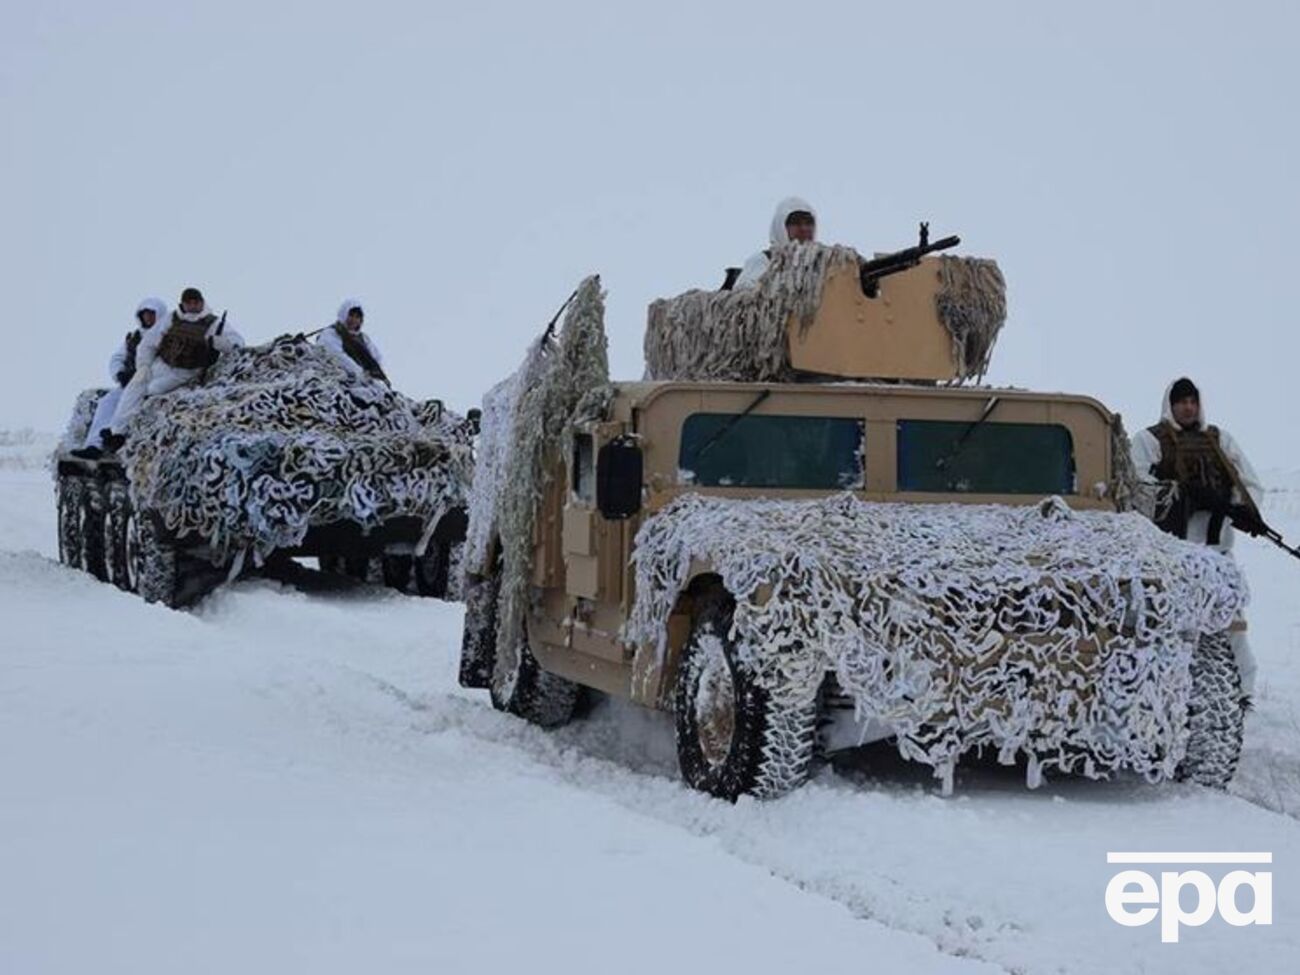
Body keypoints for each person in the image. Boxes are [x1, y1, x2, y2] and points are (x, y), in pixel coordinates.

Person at [1130, 376, 1264, 696]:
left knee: (1232, 629)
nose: (1188, 407)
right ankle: (1159, 695)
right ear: (1170, 404)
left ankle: (1240, 695)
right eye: (1181, 401)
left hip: (1217, 553)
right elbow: (1137, 487)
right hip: (1168, 556)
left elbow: (1249, 483)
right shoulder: (1149, 440)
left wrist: (1238, 508)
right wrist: (1181, 496)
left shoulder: (1219, 439)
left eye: (1193, 401)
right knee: (1166, 629)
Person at [93, 287, 244, 453]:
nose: (193, 306)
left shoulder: (213, 323)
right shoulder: (171, 319)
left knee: (151, 390)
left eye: (196, 302)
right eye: (189, 303)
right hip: (162, 365)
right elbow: (148, 344)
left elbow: (238, 343)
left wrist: (221, 342)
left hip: (186, 372)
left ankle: (131, 432)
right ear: (183, 304)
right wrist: (143, 366)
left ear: (202, 303)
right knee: (134, 387)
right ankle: (117, 432)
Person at [71, 297, 168, 458]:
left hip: (153, 385)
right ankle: (94, 446)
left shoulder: (167, 337)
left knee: (130, 406)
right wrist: (120, 374)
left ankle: (119, 441)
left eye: (152, 314)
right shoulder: (134, 337)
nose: (148, 318)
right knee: (107, 402)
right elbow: (117, 358)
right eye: (145, 314)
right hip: (130, 383)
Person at [732, 196, 818, 290]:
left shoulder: (818, 264)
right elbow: (745, 292)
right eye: (795, 223)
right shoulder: (764, 260)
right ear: (781, 227)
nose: (804, 228)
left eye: (809, 223)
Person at [317, 298, 388, 383]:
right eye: (351, 315)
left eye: (357, 317)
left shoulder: (363, 338)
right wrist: (360, 373)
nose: (354, 320)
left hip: (368, 380)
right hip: (343, 378)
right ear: (344, 315)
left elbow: (377, 357)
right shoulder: (330, 334)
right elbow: (337, 356)